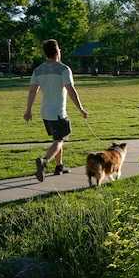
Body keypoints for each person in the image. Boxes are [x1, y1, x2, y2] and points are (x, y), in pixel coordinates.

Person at [23, 39, 88, 181]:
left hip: (45, 113)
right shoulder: (64, 69)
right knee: (60, 140)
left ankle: (59, 166)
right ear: (57, 51)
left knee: (57, 139)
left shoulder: (38, 70)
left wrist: (28, 110)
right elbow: (71, 91)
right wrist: (81, 109)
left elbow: (32, 91)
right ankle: (44, 161)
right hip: (58, 113)